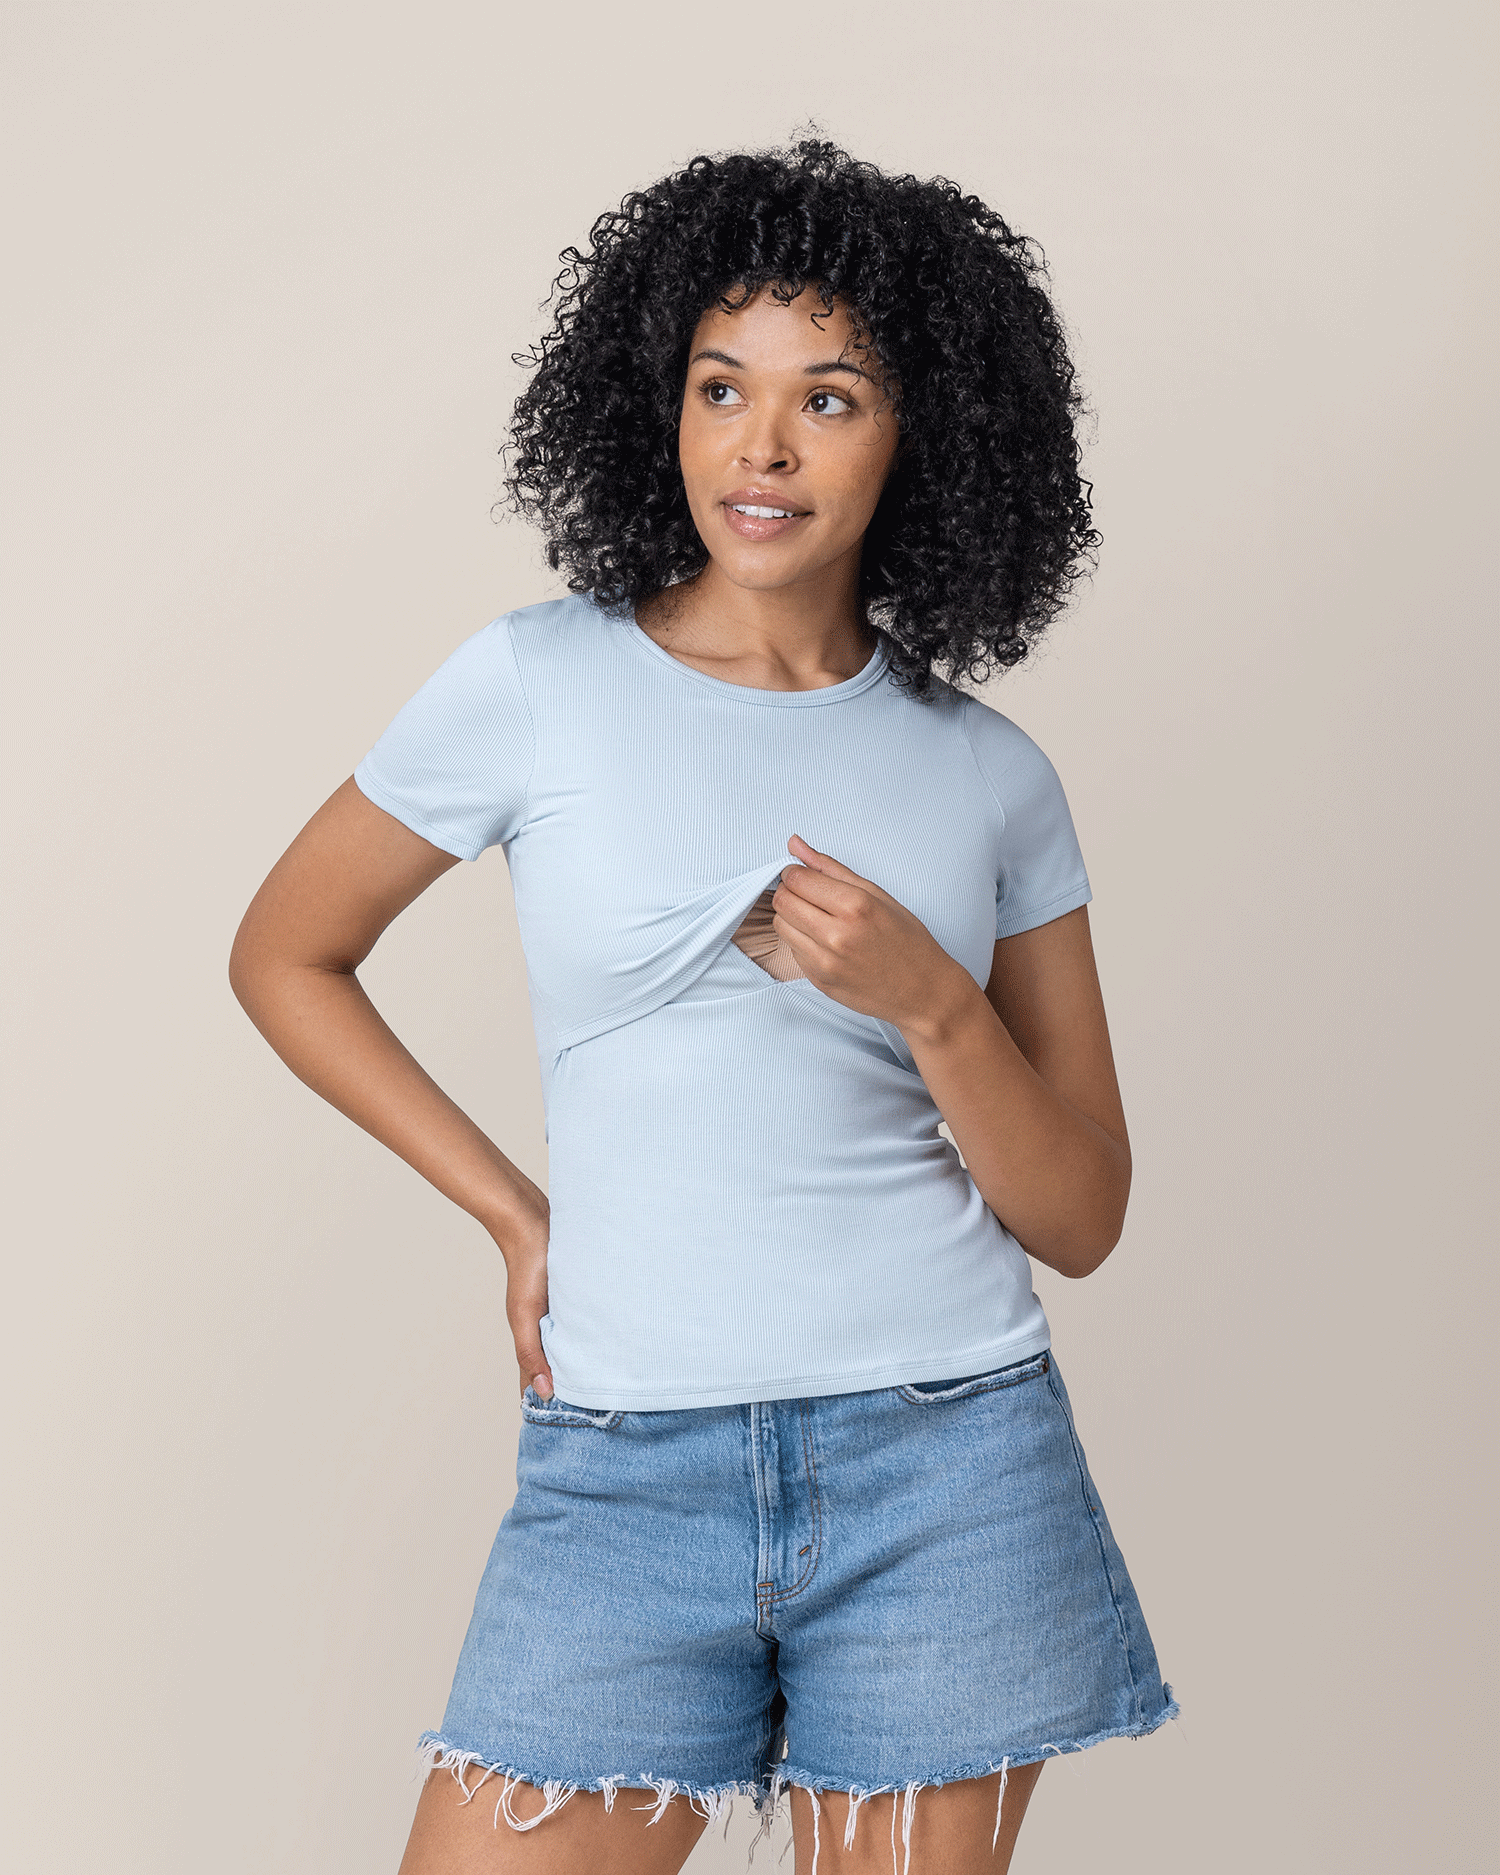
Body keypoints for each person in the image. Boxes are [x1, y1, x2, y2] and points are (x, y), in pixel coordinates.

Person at [230, 136, 1176, 1875]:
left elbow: (1085, 1211)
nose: (760, 444)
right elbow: (285, 953)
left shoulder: (990, 779)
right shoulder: (532, 685)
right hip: (622, 1469)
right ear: (653, 400)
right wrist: (514, 1211)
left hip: (947, 1465)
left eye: (830, 397)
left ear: (925, 436)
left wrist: (933, 1007)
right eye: (720, 384)